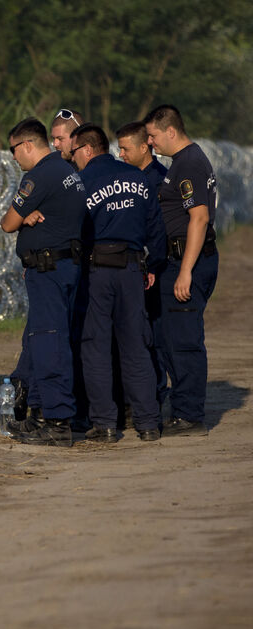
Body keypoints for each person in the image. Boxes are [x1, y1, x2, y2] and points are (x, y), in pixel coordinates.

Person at [69, 123, 166, 442]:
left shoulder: (82, 182)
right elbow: (155, 228)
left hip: (97, 271)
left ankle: (106, 424)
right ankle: (149, 423)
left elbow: (74, 231)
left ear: (86, 149)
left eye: (74, 153)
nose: (73, 160)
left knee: (95, 346)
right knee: (135, 345)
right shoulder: (138, 177)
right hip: (132, 269)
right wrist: (151, 265)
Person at [1, 117, 86, 446]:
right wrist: (30, 217)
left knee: (49, 343)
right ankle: (39, 414)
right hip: (65, 265)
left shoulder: (38, 177)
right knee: (45, 341)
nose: (13, 158)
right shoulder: (67, 172)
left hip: (48, 270)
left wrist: (23, 218)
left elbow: (9, 222)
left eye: (13, 150)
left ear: (26, 145)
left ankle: (57, 420)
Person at [143, 104, 219, 436]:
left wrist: (186, 270)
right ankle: (181, 408)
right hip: (176, 261)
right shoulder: (181, 162)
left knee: (184, 340)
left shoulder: (189, 163)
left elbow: (199, 218)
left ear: (170, 131)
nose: (150, 142)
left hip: (188, 261)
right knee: (169, 337)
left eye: (153, 135)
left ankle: (190, 415)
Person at [116, 120, 170, 409]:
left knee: (153, 338)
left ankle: (156, 398)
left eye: (125, 149)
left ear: (143, 147)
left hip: (153, 269)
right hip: (129, 269)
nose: (121, 154)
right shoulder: (123, 178)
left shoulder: (160, 180)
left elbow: (161, 230)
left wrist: (152, 266)